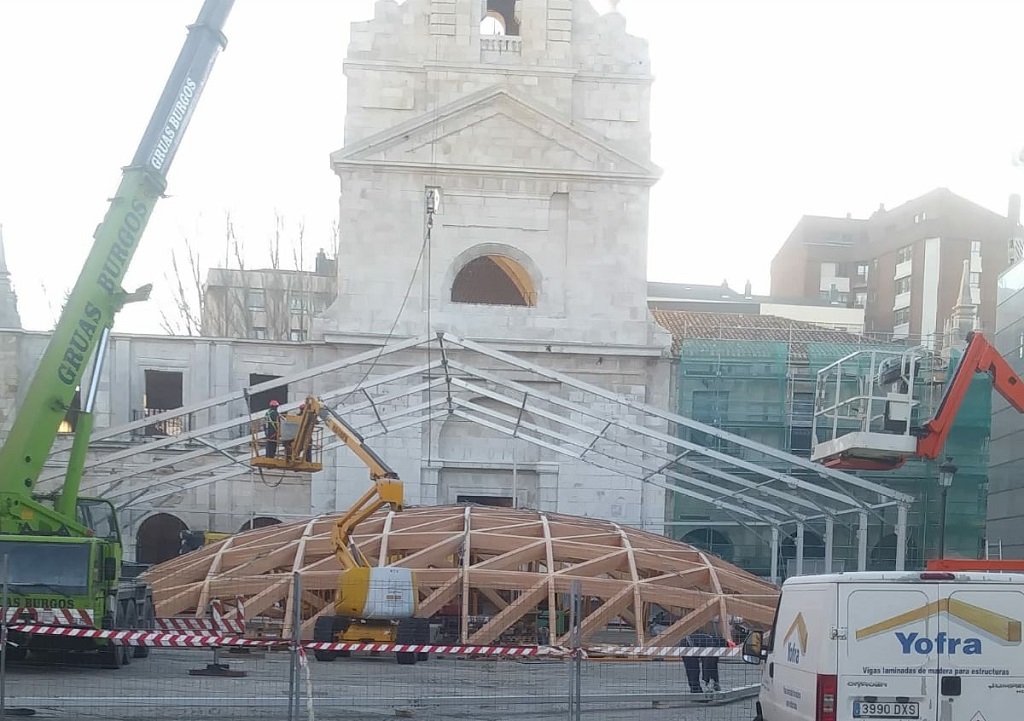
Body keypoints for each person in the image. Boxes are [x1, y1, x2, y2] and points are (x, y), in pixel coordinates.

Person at [680, 626, 727, 693]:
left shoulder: (711, 641)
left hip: (687, 642)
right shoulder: (711, 645)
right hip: (687, 645)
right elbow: (707, 666)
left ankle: (695, 690)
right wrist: (707, 680)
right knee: (693, 670)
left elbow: (714, 665)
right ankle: (696, 691)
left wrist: (716, 681)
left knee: (693, 670)